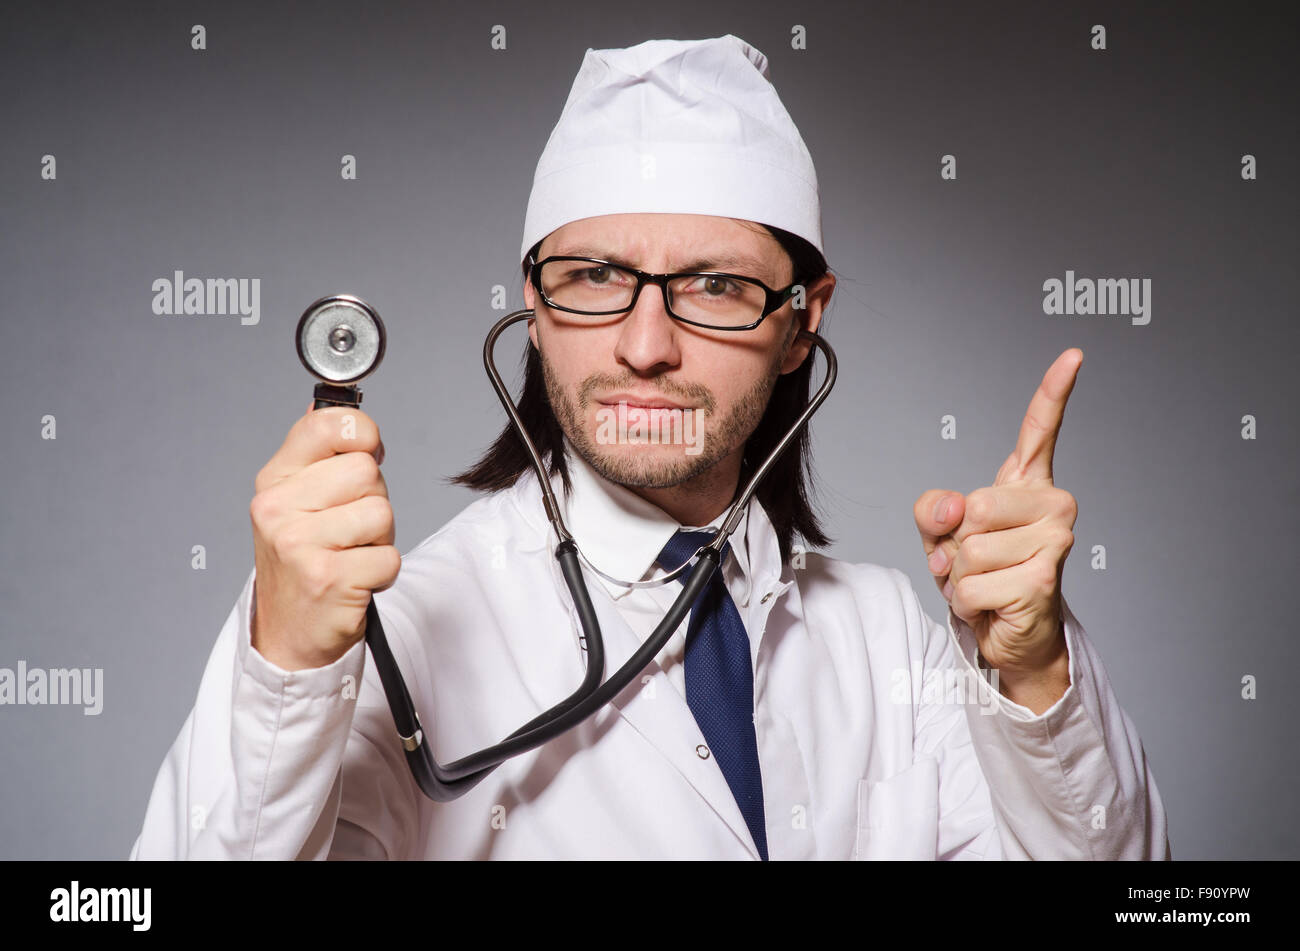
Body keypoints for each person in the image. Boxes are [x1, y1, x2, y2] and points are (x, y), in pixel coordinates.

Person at [129, 34, 1169, 860]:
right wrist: (289, 668)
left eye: (715, 286)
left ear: (804, 321)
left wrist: (1034, 675)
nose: (644, 347)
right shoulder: (394, 630)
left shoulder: (890, 638)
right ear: (532, 308)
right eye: (592, 277)